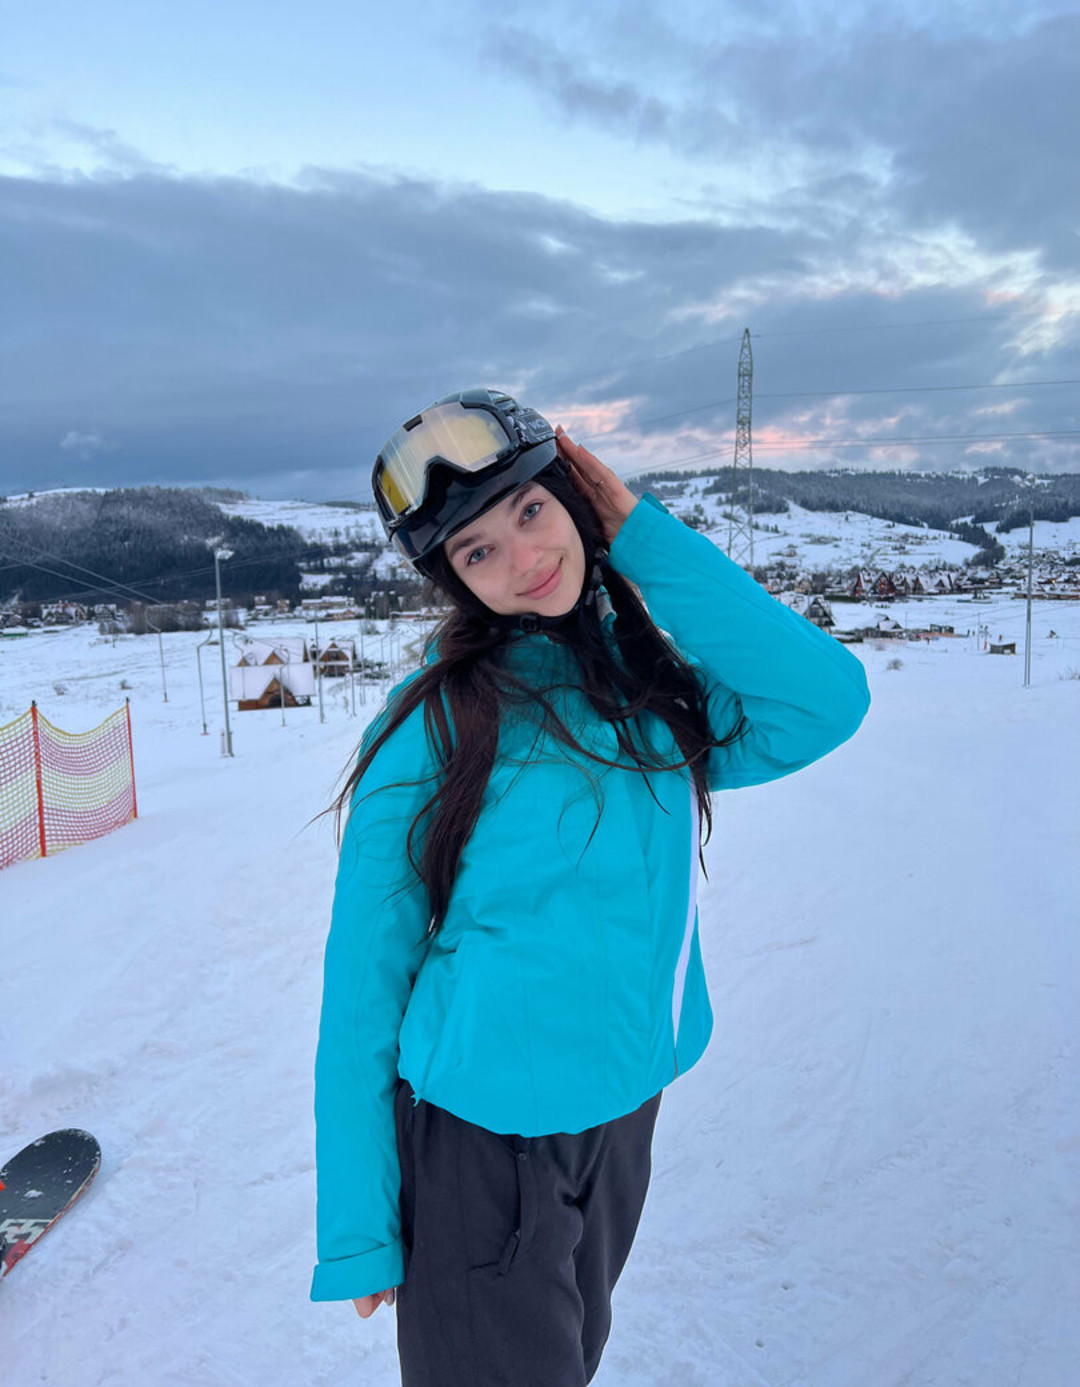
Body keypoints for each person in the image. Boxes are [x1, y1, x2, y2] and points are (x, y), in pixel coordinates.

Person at [310, 388, 871, 1385]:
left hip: (617, 1122)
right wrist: (360, 1222)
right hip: (483, 1148)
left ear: (573, 494)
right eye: (478, 551)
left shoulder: (648, 691)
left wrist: (639, 534)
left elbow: (824, 698)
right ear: (454, 579)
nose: (523, 559)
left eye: (532, 510)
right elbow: (364, 979)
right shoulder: (434, 724)